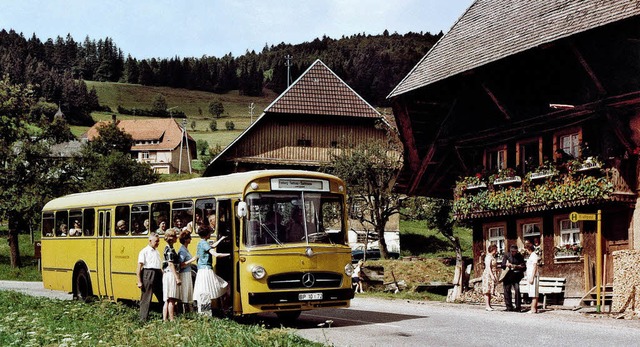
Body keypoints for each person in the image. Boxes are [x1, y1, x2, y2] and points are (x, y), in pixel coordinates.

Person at [193, 225, 230, 315]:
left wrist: (221, 239)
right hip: (206, 270)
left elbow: (212, 246)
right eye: (209, 232)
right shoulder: (204, 243)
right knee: (219, 287)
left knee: (204, 292)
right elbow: (216, 254)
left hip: (202, 270)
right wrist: (230, 254)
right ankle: (208, 312)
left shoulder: (201, 242)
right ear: (206, 234)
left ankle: (204, 312)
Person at [136, 233, 163, 321]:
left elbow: (159, 265)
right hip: (148, 273)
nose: (158, 243)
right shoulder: (144, 251)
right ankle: (143, 318)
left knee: (162, 295)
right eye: (156, 241)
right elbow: (139, 267)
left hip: (158, 273)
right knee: (146, 297)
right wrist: (139, 281)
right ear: (150, 241)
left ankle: (165, 315)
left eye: (158, 241)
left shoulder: (157, 252)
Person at [161, 229, 182, 321]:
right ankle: (172, 319)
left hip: (167, 274)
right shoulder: (170, 249)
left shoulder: (168, 248)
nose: (177, 237)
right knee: (172, 299)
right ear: (171, 238)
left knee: (167, 299)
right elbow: (170, 264)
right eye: (175, 236)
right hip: (171, 274)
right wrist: (177, 277)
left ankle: (165, 319)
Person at [178, 229, 197, 313]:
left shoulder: (185, 249)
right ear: (185, 239)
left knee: (188, 292)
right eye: (189, 237)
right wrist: (192, 260)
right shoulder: (182, 250)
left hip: (187, 272)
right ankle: (184, 312)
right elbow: (181, 264)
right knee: (184, 293)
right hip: (184, 273)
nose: (191, 239)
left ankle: (187, 311)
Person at [501, 244, 526, 312]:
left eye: (514, 251)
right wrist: (506, 264)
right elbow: (502, 265)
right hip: (507, 276)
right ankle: (509, 307)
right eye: (512, 251)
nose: (513, 253)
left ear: (516, 251)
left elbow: (524, 267)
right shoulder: (507, 255)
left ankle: (518, 307)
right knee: (507, 291)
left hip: (516, 276)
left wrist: (516, 266)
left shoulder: (520, 256)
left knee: (517, 290)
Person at [525, 240, 540, 313]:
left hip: (533, 276)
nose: (526, 251)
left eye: (526, 250)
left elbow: (535, 267)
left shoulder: (534, 256)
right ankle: (534, 309)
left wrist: (532, 277)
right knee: (532, 292)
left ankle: (533, 309)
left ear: (529, 249)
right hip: (531, 275)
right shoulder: (532, 256)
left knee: (534, 293)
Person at [482, 244, 498, 311]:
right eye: (496, 249)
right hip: (488, 274)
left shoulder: (492, 257)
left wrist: (495, 275)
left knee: (490, 289)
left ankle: (489, 305)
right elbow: (488, 267)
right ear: (493, 250)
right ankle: (487, 306)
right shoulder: (488, 257)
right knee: (487, 289)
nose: (496, 251)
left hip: (493, 273)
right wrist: (492, 275)